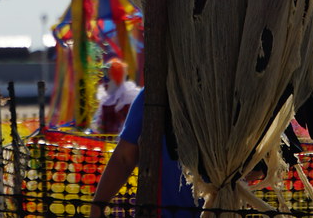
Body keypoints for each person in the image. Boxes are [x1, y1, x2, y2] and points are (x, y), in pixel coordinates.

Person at [89, 89, 266, 217]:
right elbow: (124, 158)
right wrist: (98, 206)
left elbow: (262, 165)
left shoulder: (240, 93)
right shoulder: (155, 95)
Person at [92, 58, 139, 134]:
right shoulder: (106, 99)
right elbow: (100, 125)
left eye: (107, 77)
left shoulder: (128, 97)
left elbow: (129, 126)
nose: (104, 83)